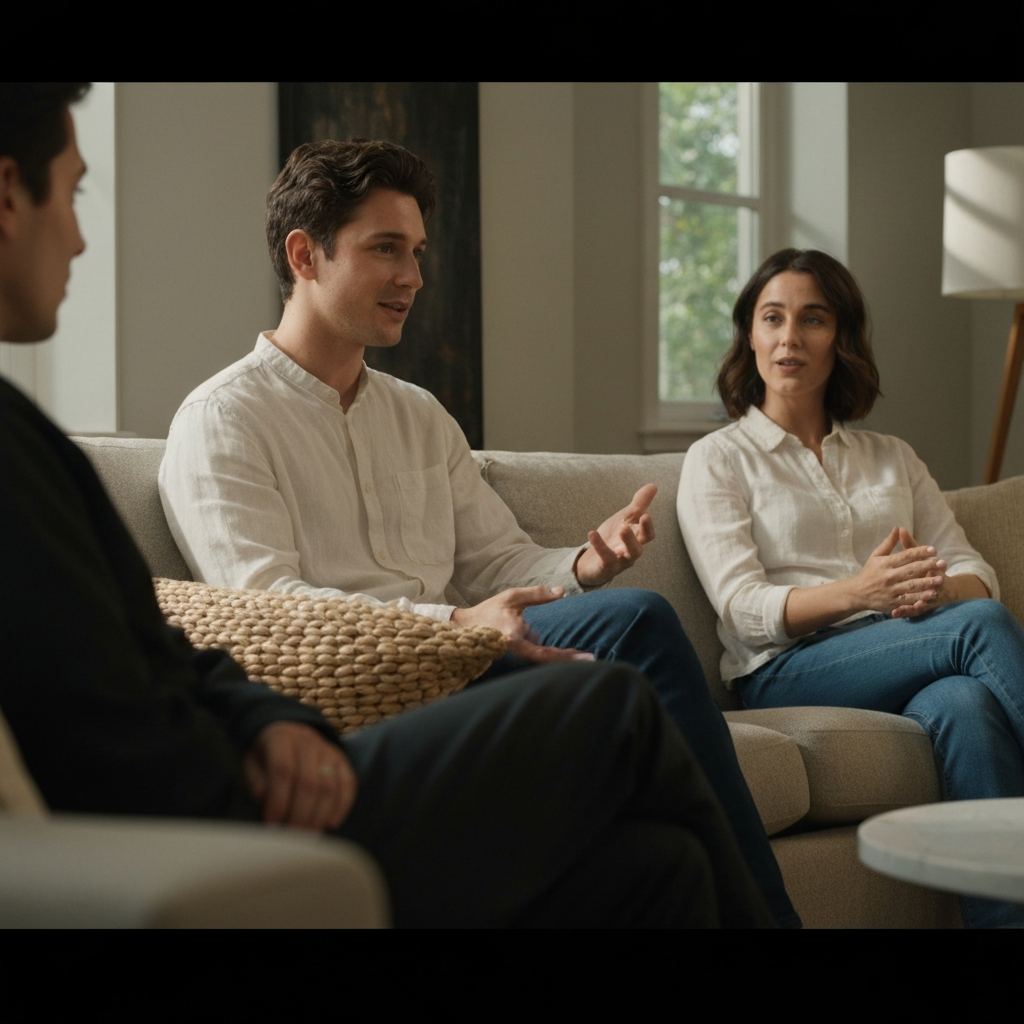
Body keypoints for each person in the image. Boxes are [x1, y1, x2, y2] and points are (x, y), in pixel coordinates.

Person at [0, 82, 776, 928]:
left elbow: (495, 563)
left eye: (417, 251)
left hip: (438, 667)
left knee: (659, 844)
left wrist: (584, 564)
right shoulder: (221, 420)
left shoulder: (419, 414)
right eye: (385, 250)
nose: (413, 277)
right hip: (350, 690)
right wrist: (446, 632)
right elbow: (263, 608)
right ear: (305, 256)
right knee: (618, 685)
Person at [677, 247, 1024, 928]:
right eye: (772, 318)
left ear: (842, 336)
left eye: (813, 319)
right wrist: (862, 592)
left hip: (906, 646)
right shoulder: (717, 459)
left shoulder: (892, 457)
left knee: (964, 702)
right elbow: (743, 610)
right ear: (750, 335)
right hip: (785, 669)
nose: (790, 337)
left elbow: (977, 575)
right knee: (978, 631)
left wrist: (934, 594)